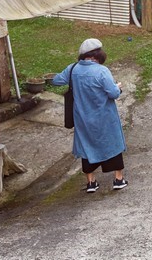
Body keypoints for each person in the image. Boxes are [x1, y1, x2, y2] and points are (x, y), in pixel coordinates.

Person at [53, 38, 128, 193]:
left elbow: (56, 80)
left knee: (87, 147)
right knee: (112, 145)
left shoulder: (73, 69)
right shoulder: (102, 71)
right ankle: (118, 180)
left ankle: (91, 183)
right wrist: (117, 87)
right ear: (99, 54)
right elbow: (113, 93)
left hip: (82, 118)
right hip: (104, 118)